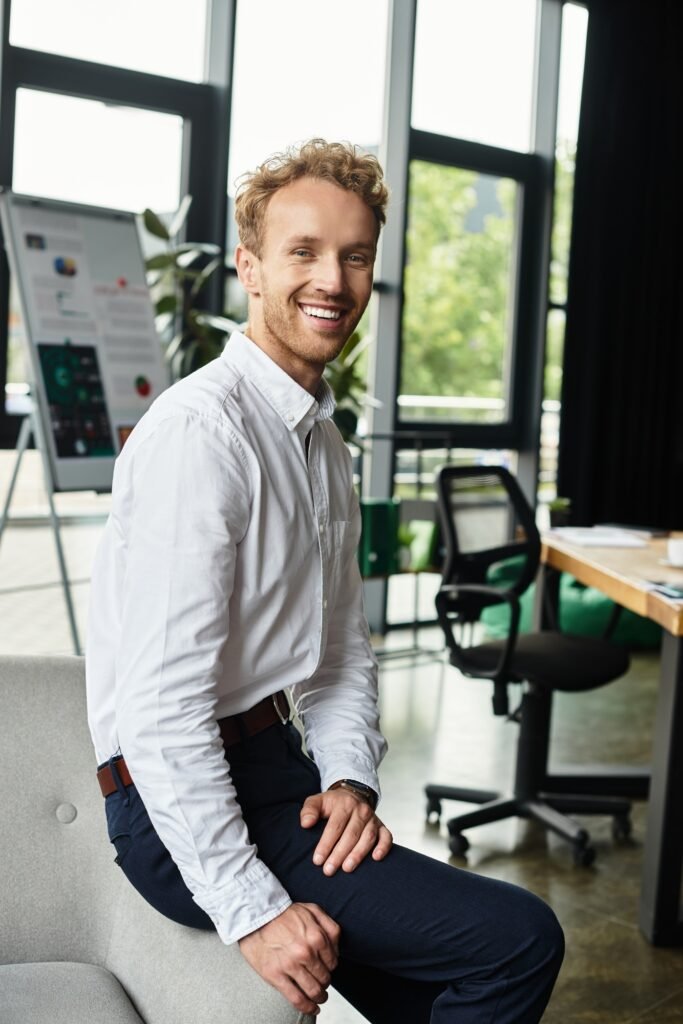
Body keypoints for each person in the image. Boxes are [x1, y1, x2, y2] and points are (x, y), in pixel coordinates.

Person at [86, 138, 564, 1022]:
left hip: (278, 772)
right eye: (302, 252)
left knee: (437, 989)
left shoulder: (320, 443)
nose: (331, 281)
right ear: (250, 268)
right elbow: (160, 711)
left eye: (354, 257)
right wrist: (252, 910)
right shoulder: (202, 435)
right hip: (172, 804)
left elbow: (339, 653)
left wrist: (349, 782)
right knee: (519, 939)